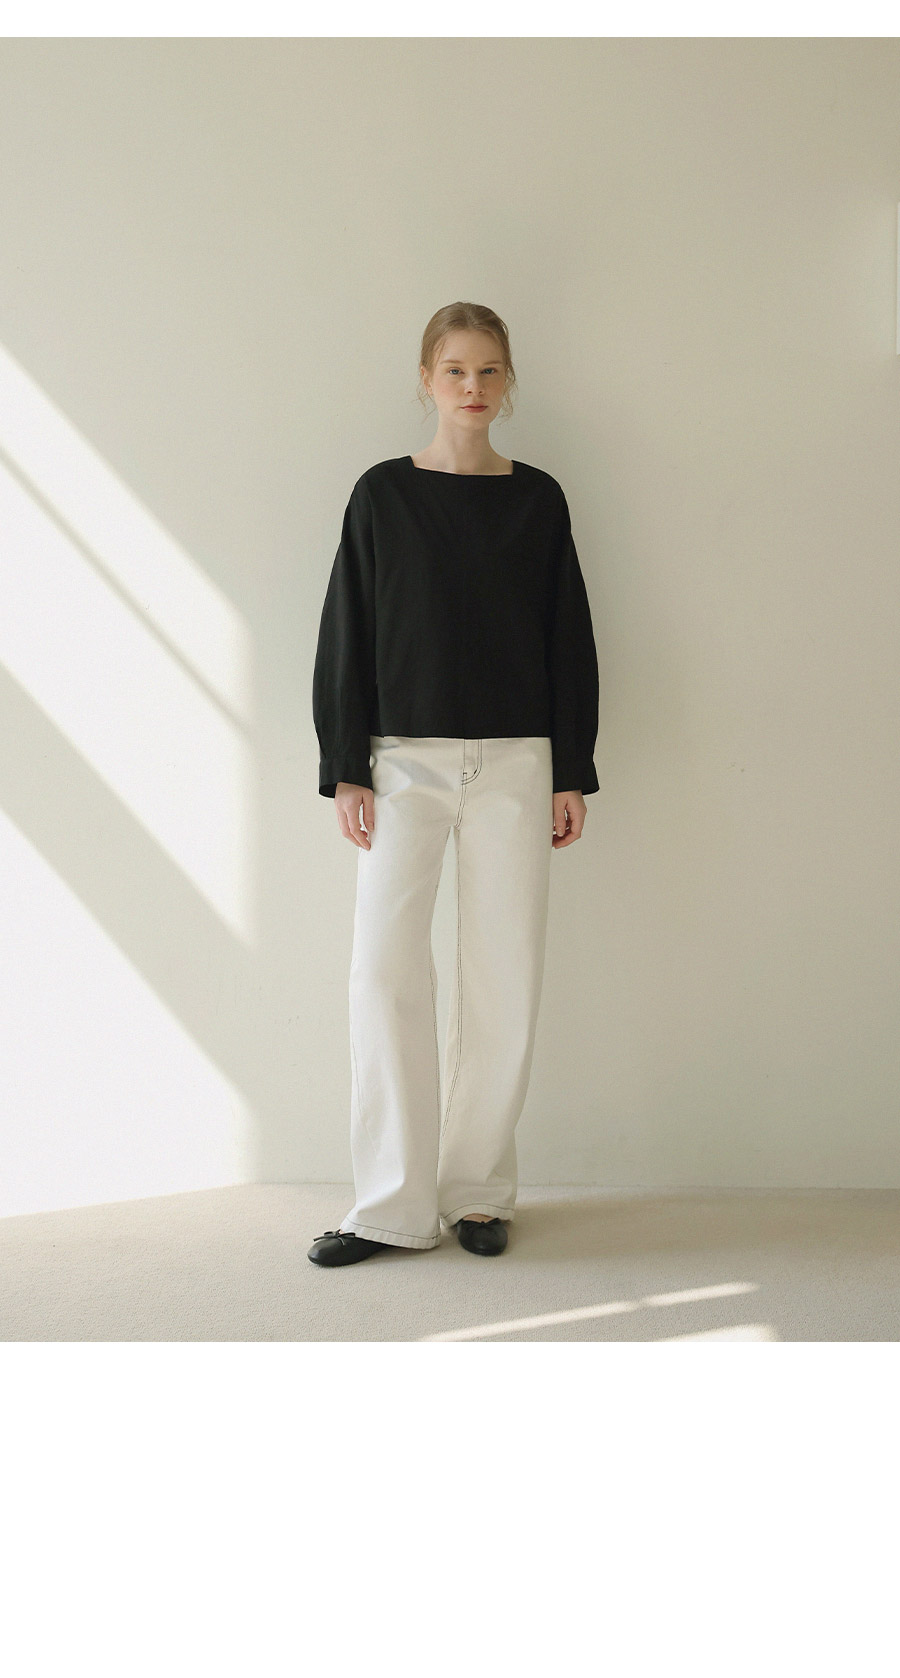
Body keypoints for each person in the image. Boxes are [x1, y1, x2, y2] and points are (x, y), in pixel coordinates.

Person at [309, 301, 599, 1267]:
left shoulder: (539, 499)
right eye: (454, 370)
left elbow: (568, 635)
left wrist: (571, 768)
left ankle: (477, 1194)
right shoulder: (382, 494)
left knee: (503, 975)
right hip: (402, 762)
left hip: (519, 761)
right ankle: (389, 1206)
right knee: (383, 972)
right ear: (427, 379)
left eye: (489, 371)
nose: (472, 388)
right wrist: (345, 765)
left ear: (508, 381)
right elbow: (347, 629)